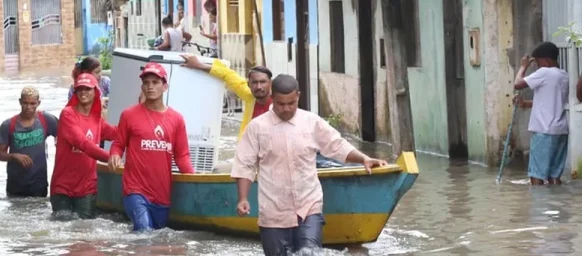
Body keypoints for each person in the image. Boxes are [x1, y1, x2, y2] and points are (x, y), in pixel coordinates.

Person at [231, 74, 388, 256]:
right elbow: (245, 164)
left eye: (291, 103)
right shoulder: (257, 127)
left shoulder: (311, 122)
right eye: (281, 104)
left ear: (298, 96)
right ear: (272, 98)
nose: (286, 109)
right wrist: (243, 198)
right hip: (274, 211)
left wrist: (364, 159)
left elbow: (336, 145)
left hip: (308, 206)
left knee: (310, 253)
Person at [108, 62, 194, 232]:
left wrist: (194, 180)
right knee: (144, 231)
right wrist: (115, 155)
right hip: (135, 190)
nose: (150, 87)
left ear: (165, 86)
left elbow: (182, 155)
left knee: (156, 238)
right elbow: (118, 144)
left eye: (155, 82)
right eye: (146, 83)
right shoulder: (129, 115)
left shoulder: (176, 119)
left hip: (161, 194)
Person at [51, 73, 119, 219]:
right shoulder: (67, 114)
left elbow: (116, 133)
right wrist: (111, 158)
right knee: (62, 233)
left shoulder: (97, 120)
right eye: (80, 89)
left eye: (87, 89)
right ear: (75, 92)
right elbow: (83, 143)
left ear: (96, 91)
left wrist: (137, 119)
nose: (83, 92)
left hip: (87, 189)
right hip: (62, 187)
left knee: (84, 233)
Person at [513, 41, 570, 186]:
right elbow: (551, 101)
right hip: (561, 131)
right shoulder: (564, 75)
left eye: (538, 62)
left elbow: (517, 84)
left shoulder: (544, 72)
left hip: (544, 131)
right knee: (554, 176)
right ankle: (556, 205)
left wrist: (523, 66)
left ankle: (540, 206)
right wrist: (525, 103)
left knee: (536, 176)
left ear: (547, 60)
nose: (537, 66)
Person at [179, 54, 272, 139]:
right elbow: (228, 75)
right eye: (255, 82)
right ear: (249, 84)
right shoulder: (249, 96)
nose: (259, 87)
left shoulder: (279, 101)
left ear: (270, 83)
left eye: (263, 82)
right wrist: (199, 65)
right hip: (249, 148)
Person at [0, 87, 59, 197]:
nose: (29, 107)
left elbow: (66, 135)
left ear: (38, 103)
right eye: (25, 103)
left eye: (33, 103)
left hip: (39, 182)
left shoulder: (46, 120)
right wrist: (14, 156)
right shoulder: (8, 125)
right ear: (20, 102)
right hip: (15, 184)